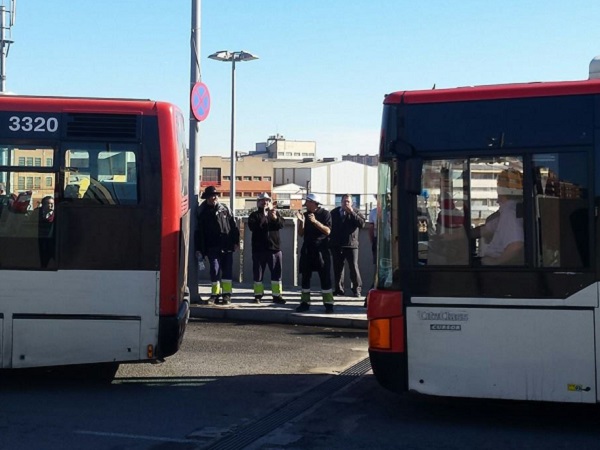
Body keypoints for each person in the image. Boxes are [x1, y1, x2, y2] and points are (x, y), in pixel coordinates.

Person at [194, 186, 240, 305]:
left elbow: (234, 227)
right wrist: (199, 249)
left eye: (215, 195)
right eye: (211, 196)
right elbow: (199, 233)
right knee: (214, 270)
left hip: (227, 245)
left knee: (227, 271)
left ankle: (226, 295)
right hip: (211, 246)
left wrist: (235, 242)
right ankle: (215, 294)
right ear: (207, 198)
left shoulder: (225, 209)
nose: (213, 198)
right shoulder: (202, 212)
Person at [295, 193, 334, 313]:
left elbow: (328, 231)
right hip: (307, 250)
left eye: (307, 201)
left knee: (325, 277)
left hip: (321, 250)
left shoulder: (325, 214)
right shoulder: (305, 214)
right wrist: (301, 221)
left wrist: (315, 221)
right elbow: (301, 233)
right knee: (305, 277)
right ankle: (304, 303)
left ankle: (328, 304)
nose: (305, 204)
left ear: (313, 202)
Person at [478, 168, 524, 265]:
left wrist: (495, 262)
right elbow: (488, 229)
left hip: (501, 270)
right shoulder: (511, 210)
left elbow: (516, 245)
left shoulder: (509, 212)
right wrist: (464, 234)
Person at [247, 192, 286, 304]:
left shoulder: (275, 213)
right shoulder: (254, 215)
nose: (265, 202)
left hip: (274, 249)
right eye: (262, 200)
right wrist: (263, 219)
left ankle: (277, 295)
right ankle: (258, 295)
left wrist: (274, 218)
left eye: (267, 200)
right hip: (259, 249)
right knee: (258, 274)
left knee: (276, 274)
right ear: (258, 203)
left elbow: (281, 225)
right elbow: (252, 227)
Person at [329, 194, 365, 297]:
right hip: (337, 244)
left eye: (348, 201)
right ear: (341, 202)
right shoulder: (335, 212)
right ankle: (339, 289)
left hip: (351, 245)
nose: (346, 203)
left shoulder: (356, 212)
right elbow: (329, 227)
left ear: (352, 203)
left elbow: (361, 224)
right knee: (338, 268)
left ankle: (356, 289)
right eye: (344, 201)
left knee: (353, 267)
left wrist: (352, 213)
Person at [36, 195, 55, 267]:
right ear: (43, 205)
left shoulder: (57, 214)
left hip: (52, 242)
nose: (51, 205)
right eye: (49, 203)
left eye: (52, 203)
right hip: (39, 240)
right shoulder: (37, 212)